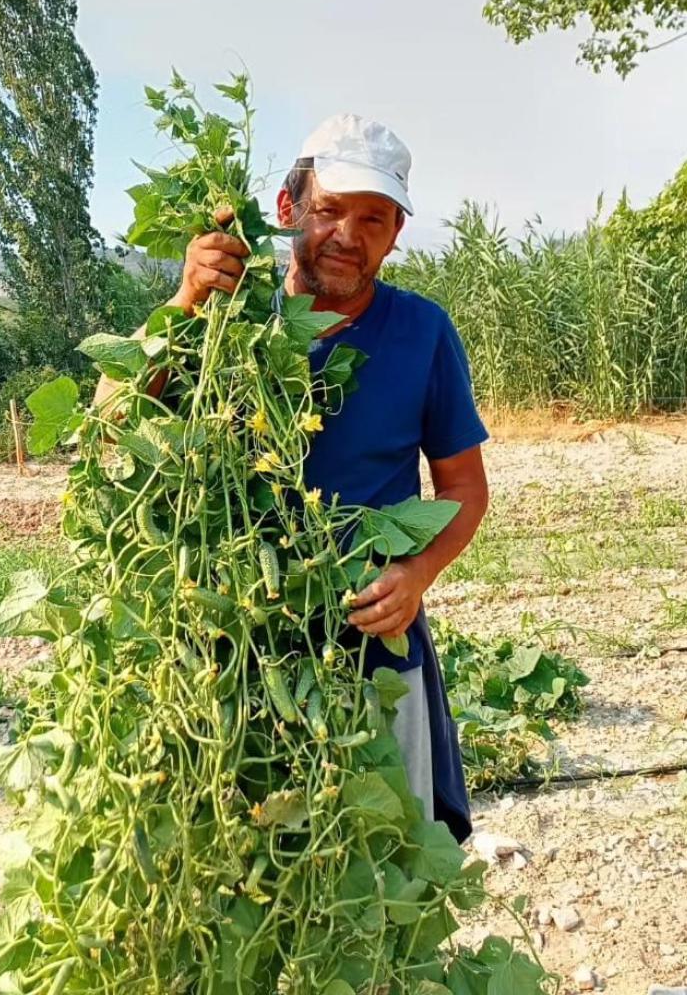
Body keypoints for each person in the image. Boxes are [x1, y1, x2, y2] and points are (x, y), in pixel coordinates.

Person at [167, 113, 490, 842]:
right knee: (248, 862)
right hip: (235, 647)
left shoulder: (422, 333)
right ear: (287, 211)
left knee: (386, 858)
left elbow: (465, 490)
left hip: (370, 645)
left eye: (374, 218)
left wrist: (415, 574)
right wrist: (185, 304)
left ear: (396, 233)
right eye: (329, 210)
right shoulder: (226, 323)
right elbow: (115, 423)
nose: (349, 234)